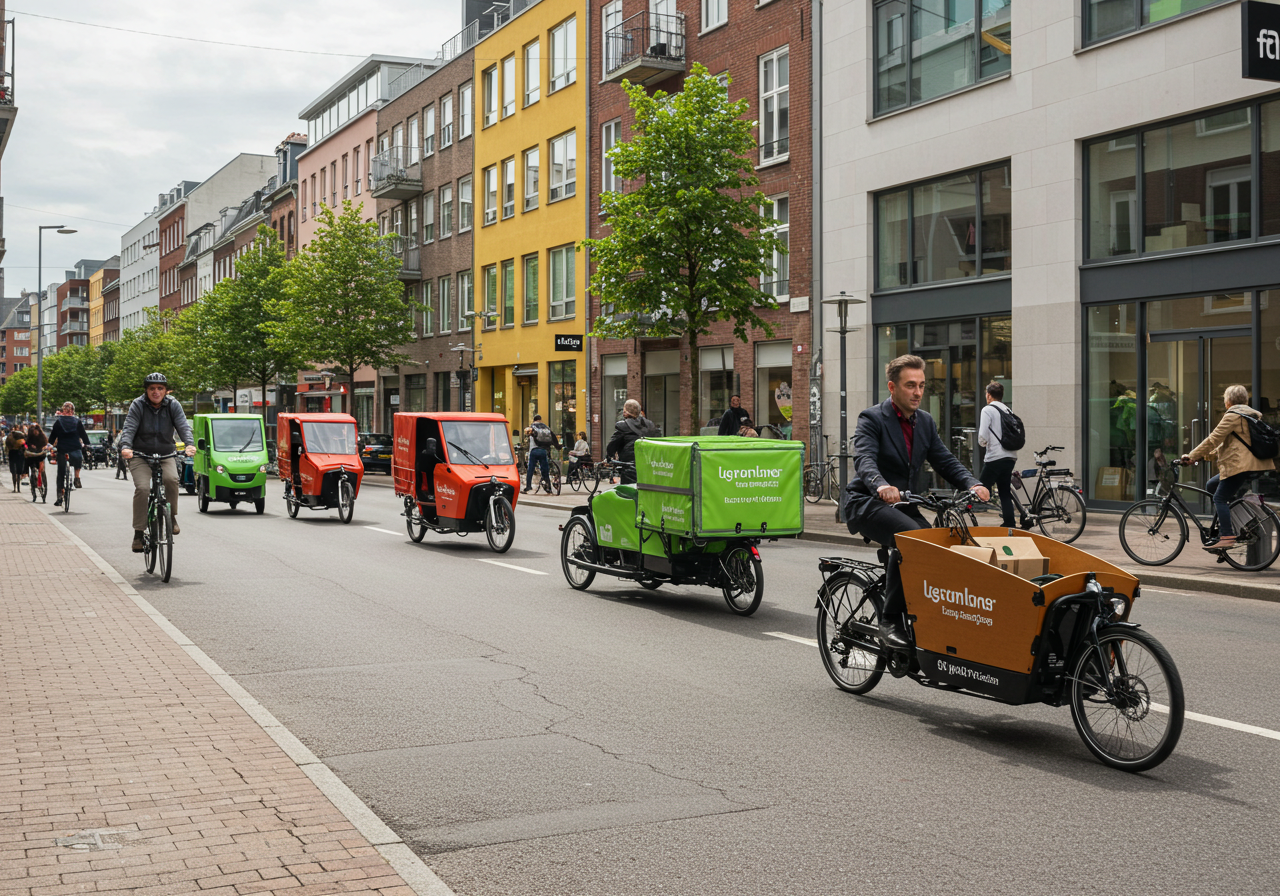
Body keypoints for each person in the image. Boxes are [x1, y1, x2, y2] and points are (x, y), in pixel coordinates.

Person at [843, 354, 990, 647]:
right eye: (911, 385)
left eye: (922, 385)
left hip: (903, 504)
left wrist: (972, 482)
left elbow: (945, 460)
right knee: (911, 539)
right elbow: (865, 459)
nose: (918, 392)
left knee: (940, 544)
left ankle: (924, 614)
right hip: (868, 501)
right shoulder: (872, 418)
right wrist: (880, 484)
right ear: (892, 387)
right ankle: (889, 621)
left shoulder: (924, 421)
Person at [1181, 384, 1276, 549]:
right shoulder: (1250, 415)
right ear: (1244, 400)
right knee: (1212, 486)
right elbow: (1230, 446)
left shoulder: (1233, 416)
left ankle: (1226, 535)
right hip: (1251, 465)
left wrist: (1191, 455)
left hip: (1240, 466)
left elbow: (1213, 439)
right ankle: (1239, 522)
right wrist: (1204, 457)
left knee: (1219, 498)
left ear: (1228, 401)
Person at [119, 373, 196, 553]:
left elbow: (183, 426)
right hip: (140, 455)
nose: (156, 392)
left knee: (172, 480)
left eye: (160, 388)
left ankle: (172, 516)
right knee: (143, 488)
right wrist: (126, 447)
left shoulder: (173, 405)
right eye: (152, 388)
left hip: (165, 453)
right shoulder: (138, 405)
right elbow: (129, 427)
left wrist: (189, 444)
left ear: (165, 390)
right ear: (146, 390)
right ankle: (138, 533)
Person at [976, 382, 1018, 529]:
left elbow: (982, 435)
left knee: (979, 490)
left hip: (995, 456)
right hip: (1010, 456)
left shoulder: (988, 410)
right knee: (1004, 492)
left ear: (988, 395)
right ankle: (1009, 523)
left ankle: (965, 518)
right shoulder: (1008, 410)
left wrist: (983, 444)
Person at [47, 402, 92, 506]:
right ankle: (77, 477)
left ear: (63, 411)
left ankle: (59, 496)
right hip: (75, 447)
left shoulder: (58, 422)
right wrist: (87, 444)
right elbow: (83, 435)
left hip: (62, 448)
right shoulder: (77, 421)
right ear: (73, 411)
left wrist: (49, 444)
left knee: (61, 473)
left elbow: (53, 435)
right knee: (78, 459)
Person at [606, 399, 658, 484]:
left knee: (628, 493)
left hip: (630, 468)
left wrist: (609, 457)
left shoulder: (623, 426)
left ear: (626, 412)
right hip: (649, 467)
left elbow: (612, 446)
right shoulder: (650, 425)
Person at [523, 414, 560, 493]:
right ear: (540, 419)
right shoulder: (546, 427)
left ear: (534, 420)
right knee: (545, 470)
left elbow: (526, 435)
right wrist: (558, 447)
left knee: (530, 469)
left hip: (534, 450)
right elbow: (553, 437)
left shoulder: (532, 427)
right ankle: (549, 488)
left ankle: (528, 487)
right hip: (544, 451)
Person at [23, 423, 48, 494]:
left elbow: (46, 443)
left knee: (41, 469)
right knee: (27, 461)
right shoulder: (29, 437)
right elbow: (25, 443)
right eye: (34, 431)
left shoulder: (42, 437)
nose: (35, 433)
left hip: (40, 454)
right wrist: (28, 446)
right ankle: (26, 474)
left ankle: (42, 481)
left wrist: (44, 447)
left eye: (36, 431)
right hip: (32, 454)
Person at [5, 425, 26, 492]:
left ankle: (15, 488)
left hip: (13, 453)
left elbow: (7, 445)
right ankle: (17, 488)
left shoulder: (10, 436)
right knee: (17, 472)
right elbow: (25, 445)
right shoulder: (22, 436)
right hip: (19, 454)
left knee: (14, 472)